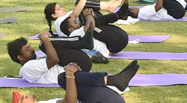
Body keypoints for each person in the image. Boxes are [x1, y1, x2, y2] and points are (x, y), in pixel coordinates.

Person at [8, 60, 131, 103]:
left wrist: (77, 76)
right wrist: (70, 74)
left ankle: (114, 80)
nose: (23, 96)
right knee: (63, 78)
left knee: (68, 78)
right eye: (20, 100)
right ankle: (113, 80)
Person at [8, 32, 138, 89]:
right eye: (27, 49)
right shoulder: (28, 67)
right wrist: (46, 40)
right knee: (44, 45)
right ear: (20, 57)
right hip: (74, 67)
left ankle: (117, 80)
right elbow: (54, 59)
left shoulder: (31, 64)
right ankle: (83, 42)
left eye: (30, 47)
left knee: (48, 44)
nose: (32, 50)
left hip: (75, 66)